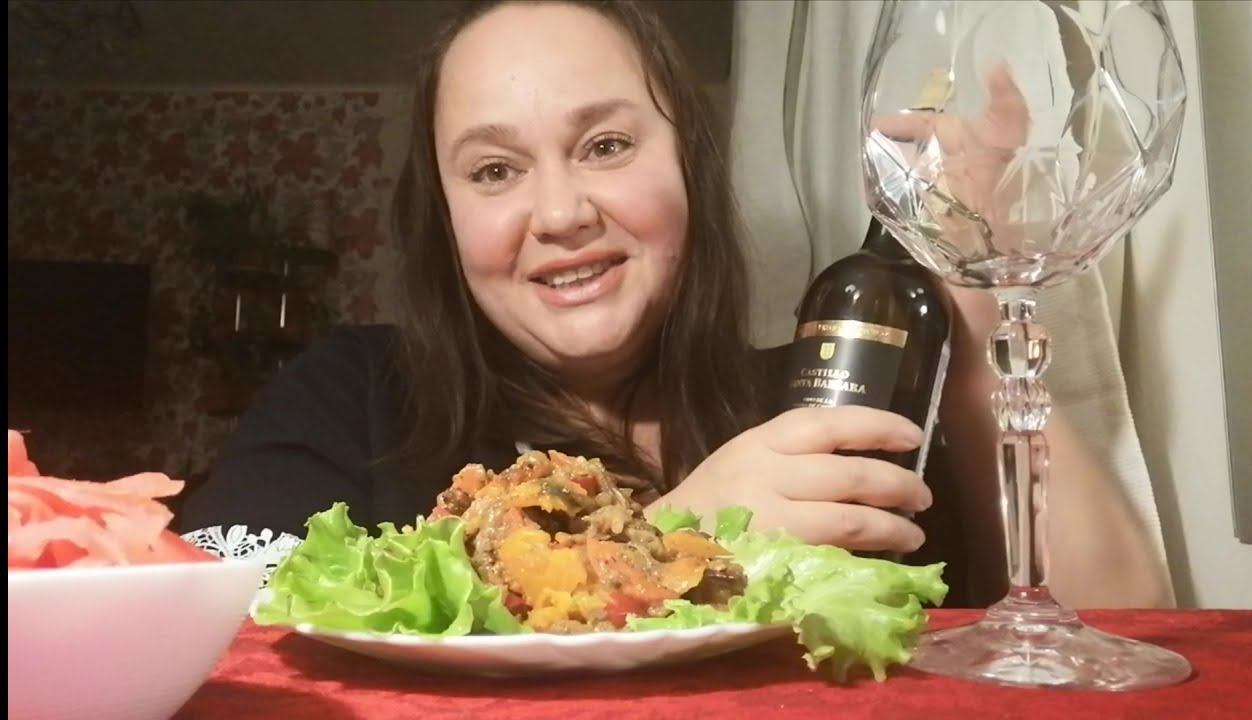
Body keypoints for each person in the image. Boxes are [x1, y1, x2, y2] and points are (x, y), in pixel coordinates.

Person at [182, 0, 1170, 609]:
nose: (560, 213)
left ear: (690, 170)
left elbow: (1117, 617)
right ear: (443, 219)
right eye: (493, 170)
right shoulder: (351, 398)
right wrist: (672, 542)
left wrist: (970, 268)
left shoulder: (827, 402)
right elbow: (235, 642)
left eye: (607, 145)